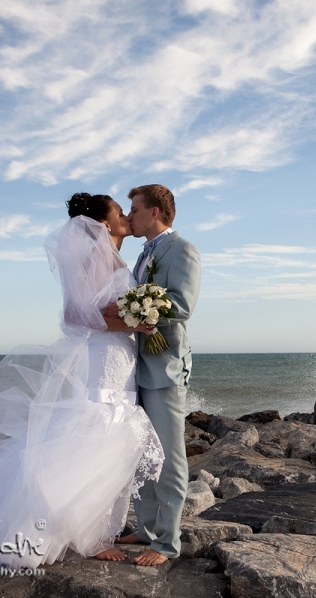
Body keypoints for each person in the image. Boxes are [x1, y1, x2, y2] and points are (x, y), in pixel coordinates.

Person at [0, 193, 164, 568]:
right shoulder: (95, 256)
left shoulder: (113, 256)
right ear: (104, 224)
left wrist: (133, 321)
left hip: (119, 354)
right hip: (104, 354)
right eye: (119, 211)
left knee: (111, 431)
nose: (126, 215)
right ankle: (87, 537)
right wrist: (135, 321)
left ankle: (96, 526)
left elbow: (105, 308)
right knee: (99, 429)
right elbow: (76, 314)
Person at [114, 184, 201, 566]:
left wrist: (140, 313)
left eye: (133, 209)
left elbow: (181, 305)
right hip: (139, 367)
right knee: (141, 453)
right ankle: (146, 527)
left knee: (168, 458)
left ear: (155, 212)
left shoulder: (182, 249)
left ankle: (167, 543)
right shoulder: (141, 254)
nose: (128, 217)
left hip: (165, 367)